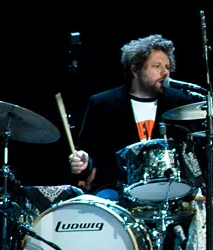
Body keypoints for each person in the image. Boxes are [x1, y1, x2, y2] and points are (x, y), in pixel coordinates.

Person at [68, 34, 196, 201]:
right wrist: (83, 161)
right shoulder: (103, 103)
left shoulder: (179, 101)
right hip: (116, 189)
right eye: (157, 66)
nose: (165, 72)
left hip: (168, 188)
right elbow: (88, 152)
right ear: (135, 69)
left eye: (167, 66)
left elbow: (192, 151)